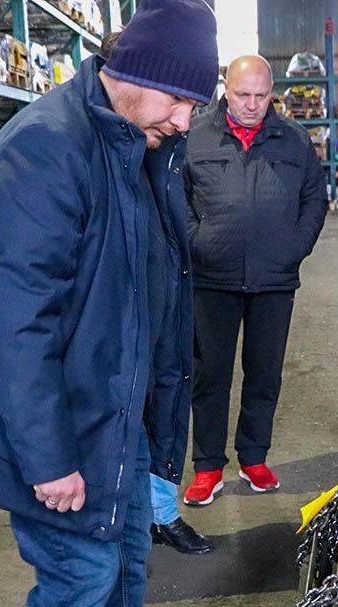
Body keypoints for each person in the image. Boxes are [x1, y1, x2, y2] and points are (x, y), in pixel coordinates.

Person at [0, 1, 219, 607]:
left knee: (125, 553)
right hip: (58, 426)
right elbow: (15, 325)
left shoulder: (135, 143)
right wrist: (48, 459)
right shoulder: (46, 150)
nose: (185, 121)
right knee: (79, 574)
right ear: (137, 73)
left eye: (196, 104)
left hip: (112, 410)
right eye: (179, 100)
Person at [174, 54, 328, 507]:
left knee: (264, 373)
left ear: (271, 93)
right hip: (212, 277)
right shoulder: (196, 135)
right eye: (243, 94)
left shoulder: (294, 139)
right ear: (226, 89)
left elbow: (315, 197)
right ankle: (207, 467)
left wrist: (296, 245)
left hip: (274, 280)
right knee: (210, 375)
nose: (252, 104)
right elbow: (176, 196)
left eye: (261, 95)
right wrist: (196, 242)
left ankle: (254, 457)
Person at [94, 31, 213, 556]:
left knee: (167, 404)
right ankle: (127, 520)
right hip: (119, 313)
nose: (181, 119)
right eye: (173, 101)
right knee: (126, 415)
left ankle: (162, 514)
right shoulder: (86, 149)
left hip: (166, 296)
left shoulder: (167, 143)